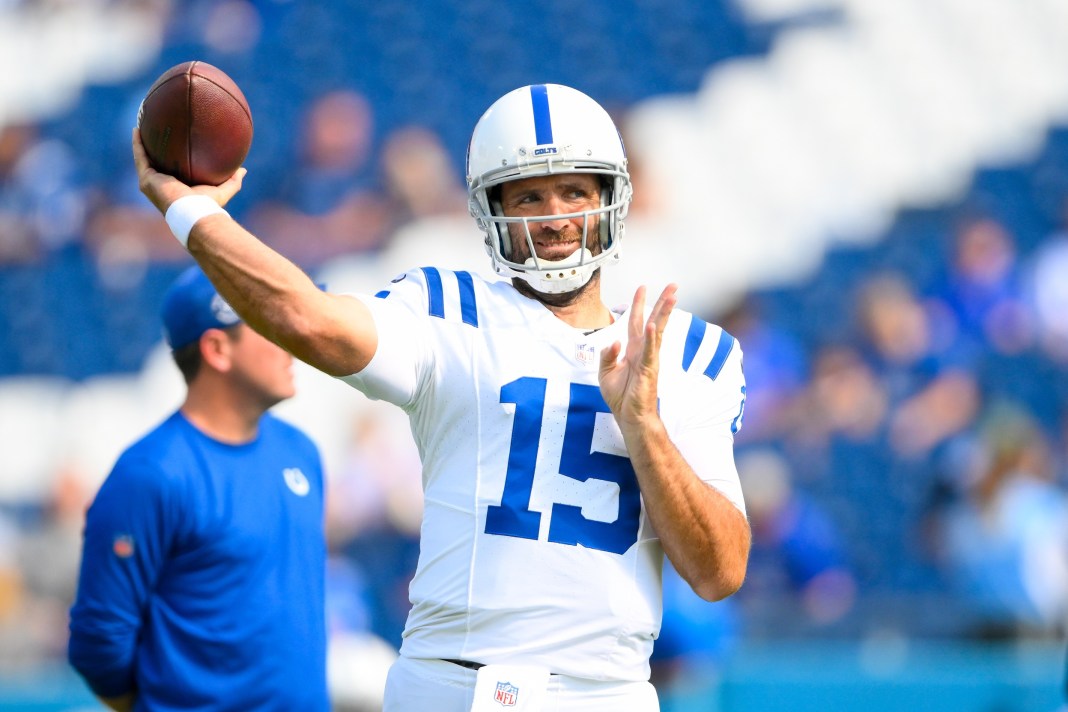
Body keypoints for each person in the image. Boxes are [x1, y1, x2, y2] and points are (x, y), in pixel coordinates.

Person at [132, 83, 750, 712]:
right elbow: (306, 317)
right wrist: (192, 214)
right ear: (490, 211)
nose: (556, 217)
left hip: (606, 694)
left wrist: (644, 425)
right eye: (529, 195)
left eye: (574, 191)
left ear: (610, 199)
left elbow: (718, 571)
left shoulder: (686, 353)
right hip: (454, 687)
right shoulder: (449, 313)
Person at [67, 266, 329, 712]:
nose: (293, 338)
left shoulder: (300, 451)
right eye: (271, 323)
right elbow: (99, 640)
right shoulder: (150, 475)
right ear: (217, 349)